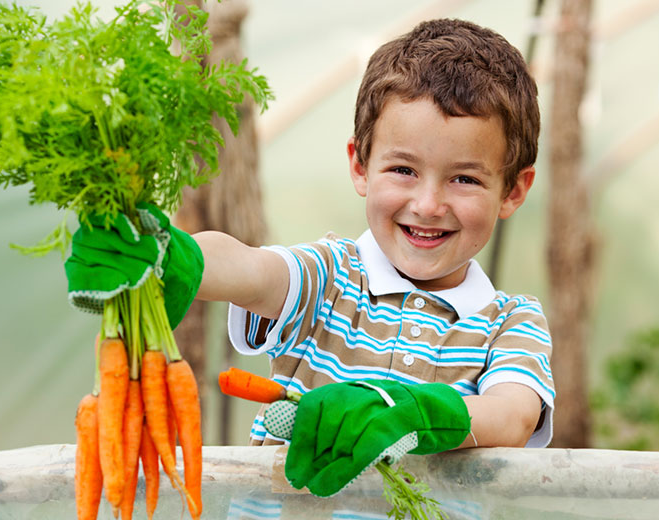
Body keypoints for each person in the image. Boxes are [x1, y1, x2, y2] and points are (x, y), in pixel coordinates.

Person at [65, 18, 554, 498]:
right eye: (403, 169)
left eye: (464, 179)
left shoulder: (510, 321)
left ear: (513, 189)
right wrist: (178, 257)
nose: (427, 205)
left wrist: (417, 411)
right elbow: (253, 270)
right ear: (360, 166)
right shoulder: (331, 275)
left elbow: (512, 415)